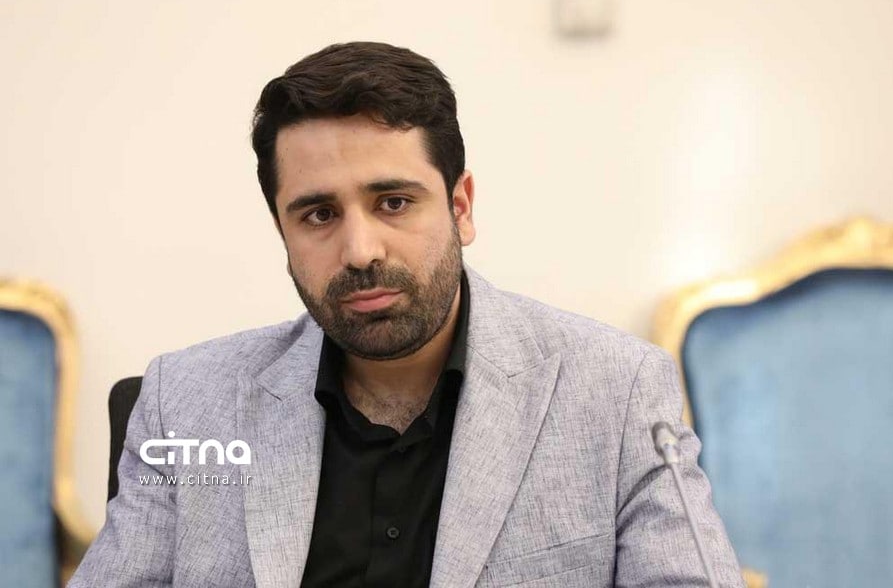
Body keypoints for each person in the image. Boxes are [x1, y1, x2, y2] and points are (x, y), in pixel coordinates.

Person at [70, 42, 743, 587]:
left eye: (393, 202)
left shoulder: (616, 393)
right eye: (319, 214)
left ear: (461, 207)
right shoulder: (185, 402)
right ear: (282, 231)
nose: (360, 251)